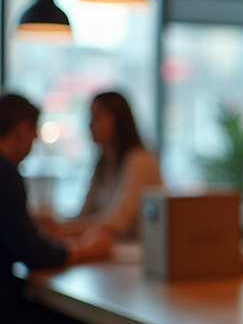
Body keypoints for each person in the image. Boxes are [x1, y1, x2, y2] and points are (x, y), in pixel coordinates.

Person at [0, 93, 113, 324]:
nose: (32, 146)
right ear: (22, 129)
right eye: (33, 136)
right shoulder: (4, 172)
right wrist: (88, 250)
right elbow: (33, 254)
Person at [49, 91, 162, 241]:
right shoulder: (103, 162)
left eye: (97, 117)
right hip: (114, 256)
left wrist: (61, 231)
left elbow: (118, 222)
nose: (90, 124)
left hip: (140, 257)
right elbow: (85, 213)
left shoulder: (139, 160)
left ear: (118, 119)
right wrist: (56, 225)